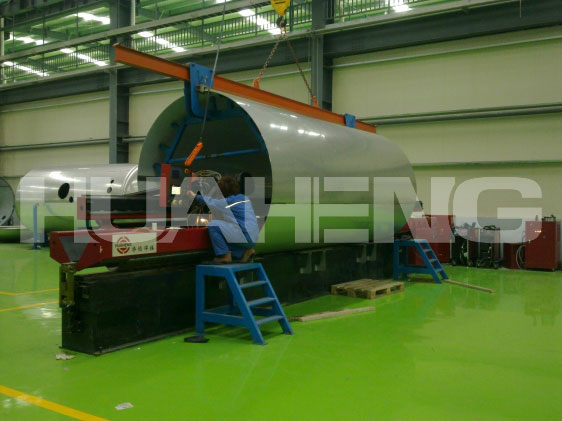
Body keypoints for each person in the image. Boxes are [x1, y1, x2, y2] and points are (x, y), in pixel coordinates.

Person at [187, 175, 258, 263]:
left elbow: (211, 202)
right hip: (253, 236)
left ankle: (225, 256)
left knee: (214, 225)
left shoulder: (228, 202)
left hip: (245, 235)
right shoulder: (244, 198)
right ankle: (246, 252)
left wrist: (194, 196)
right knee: (226, 235)